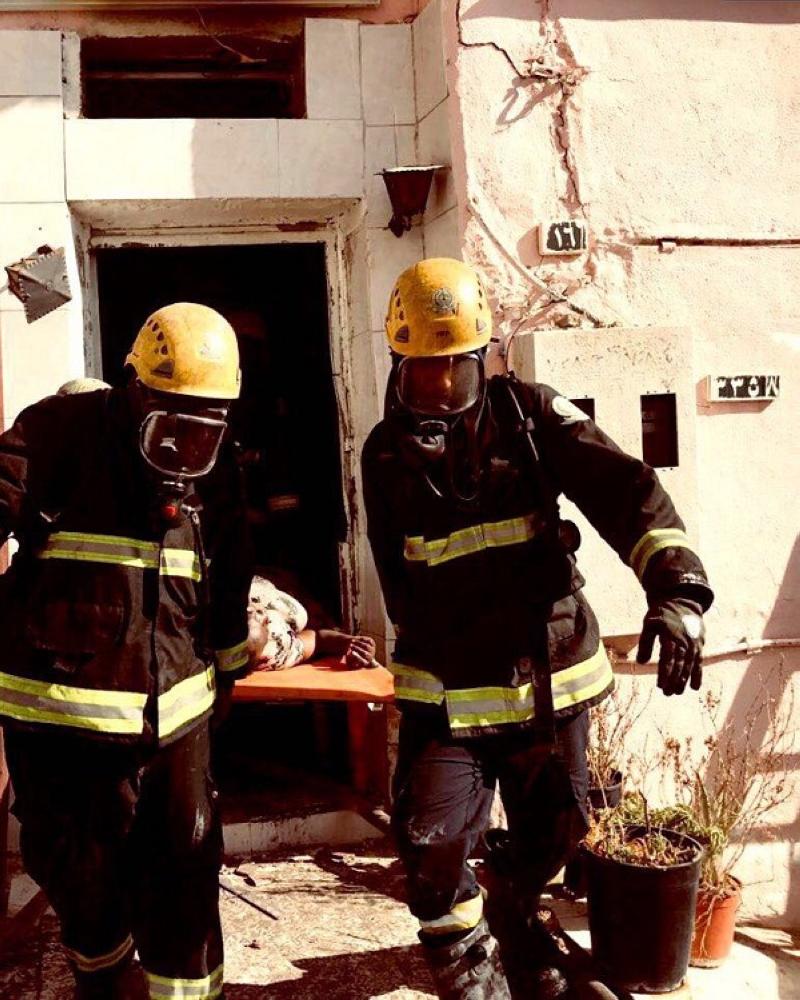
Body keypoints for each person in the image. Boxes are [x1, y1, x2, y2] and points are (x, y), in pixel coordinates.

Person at [361, 258, 714, 1000]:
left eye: (454, 374)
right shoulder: (383, 455)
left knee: (557, 834)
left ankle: (515, 917)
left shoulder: (531, 417)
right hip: (448, 697)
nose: (438, 393)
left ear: (484, 360)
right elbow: (399, 582)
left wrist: (678, 592)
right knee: (430, 842)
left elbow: (627, 492)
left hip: (548, 686)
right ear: (397, 367)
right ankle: (468, 969)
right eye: (421, 376)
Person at [0, 303, 253, 1000]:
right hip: (60, 725)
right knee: (78, 877)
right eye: (172, 424)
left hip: (176, 725)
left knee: (185, 879)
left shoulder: (216, 468)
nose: (185, 448)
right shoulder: (56, 433)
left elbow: (231, 572)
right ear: (137, 392)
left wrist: (230, 672)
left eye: (204, 429)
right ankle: (108, 978)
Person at [247, 572, 377, 671]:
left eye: (249, 613)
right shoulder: (278, 650)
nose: (252, 609)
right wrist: (351, 644)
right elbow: (318, 640)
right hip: (291, 591)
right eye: (262, 620)